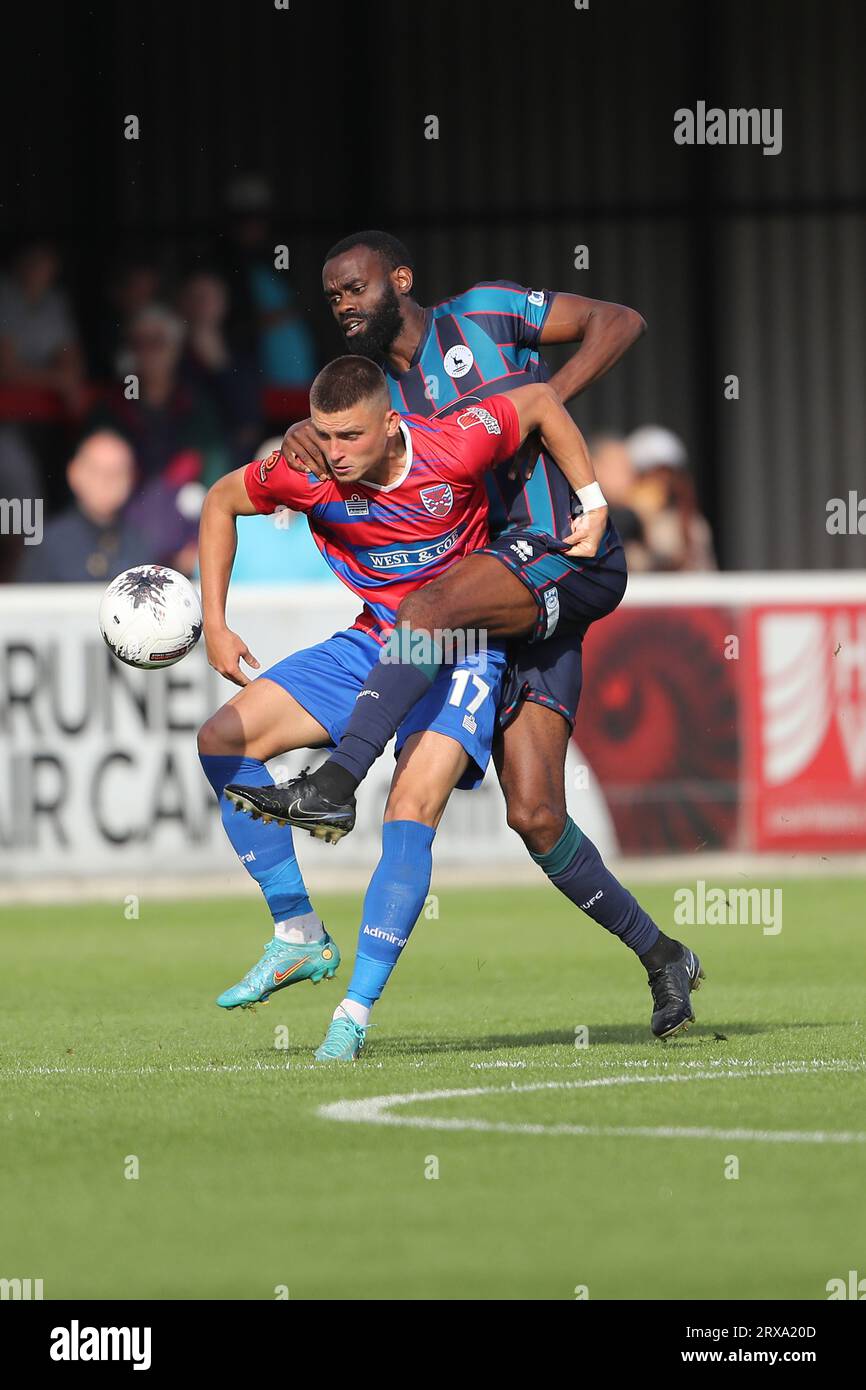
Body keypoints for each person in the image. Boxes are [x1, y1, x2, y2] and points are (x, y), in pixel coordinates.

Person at [250, 231, 704, 1039]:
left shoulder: (486, 315)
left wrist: (546, 404)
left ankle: (335, 778)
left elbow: (621, 321)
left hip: (565, 554)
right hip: (500, 599)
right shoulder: (377, 411)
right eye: (332, 297)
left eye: (354, 288)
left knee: (424, 612)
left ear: (401, 279)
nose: (344, 306)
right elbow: (314, 466)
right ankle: (665, 955)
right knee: (534, 815)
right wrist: (297, 442)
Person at [197, 356, 616, 1060]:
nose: (333, 453)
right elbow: (218, 501)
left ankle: (354, 1013)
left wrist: (595, 501)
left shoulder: (454, 443)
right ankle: (298, 933)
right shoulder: (305, 473)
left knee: (410, 807)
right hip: (370, 644)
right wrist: (215, 621)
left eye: (349, 438)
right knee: (220, 739)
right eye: (324, 435)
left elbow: (541, 399)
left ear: (391, 426)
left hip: (462, 650)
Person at [17, 430, 150, 583]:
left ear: (131, 478)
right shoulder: (48, 544)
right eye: (96, 470)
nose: (106, 480)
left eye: (117, 471)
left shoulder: (142, 542)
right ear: (74, 473)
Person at [626, 425, 717, 571]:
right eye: (651, 475)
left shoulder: (692, 523)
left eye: (667, 474)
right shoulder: (619, 523)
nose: (660, 483)